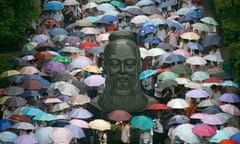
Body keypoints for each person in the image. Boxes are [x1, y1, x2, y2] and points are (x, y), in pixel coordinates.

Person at [98, 31, 150, 112]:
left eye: (129, 64)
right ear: (105, 66)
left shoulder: (151, 105)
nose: (122, 70)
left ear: (139, 66)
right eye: (114, 64)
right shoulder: (94, 106)